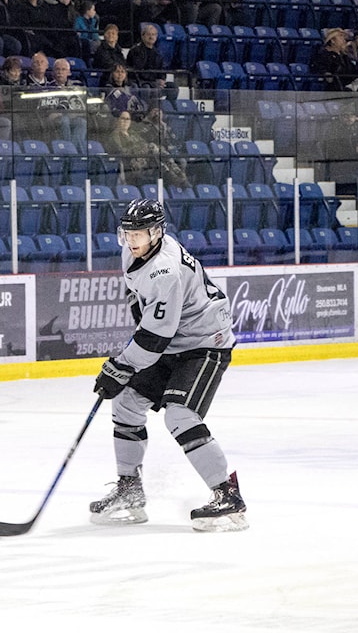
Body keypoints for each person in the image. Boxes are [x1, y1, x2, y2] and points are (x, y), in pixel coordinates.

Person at [89, 198, 247, 533]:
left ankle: (228, 495)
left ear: (157, 232)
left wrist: (121, 366)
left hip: (204, 344)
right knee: (127, 403)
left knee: (180, 414)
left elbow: (156, 336)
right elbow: (139, 304)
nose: (132, 240)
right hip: (172, 342)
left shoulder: (165, 269)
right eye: (128, 233)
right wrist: (126, 367)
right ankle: (130, 491)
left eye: (140, 233)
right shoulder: (133, 254)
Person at [311, 28, 358, 92]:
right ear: (332, 40)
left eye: (344, 37)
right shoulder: (324, 54)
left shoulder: (344, 56)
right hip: (332, 90)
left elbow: (354, 72)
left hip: (347, 87)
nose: (344, 39)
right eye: (340, 36)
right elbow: (322, 70)